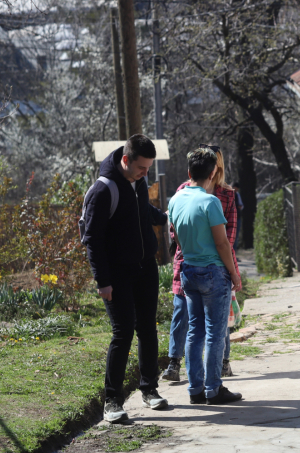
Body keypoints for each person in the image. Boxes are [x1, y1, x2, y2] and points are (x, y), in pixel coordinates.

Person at [82, 134, 169, 423]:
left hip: (146, 267)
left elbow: (141, 210)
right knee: (122, 333)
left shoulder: (138, 181)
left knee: (148, 329)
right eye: (142, 167)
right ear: (125, 160)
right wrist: (102, 281)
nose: (146, 173)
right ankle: (112, 401)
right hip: (117, 274)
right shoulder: (103, 190)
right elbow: (93, 240)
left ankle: (149, 390)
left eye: (148, 168)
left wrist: (164, 218)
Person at [167, 147, 244, 405]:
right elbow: (223, 243)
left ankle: (195, 389)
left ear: (189, 172)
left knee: (195, 332)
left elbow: (176, 236)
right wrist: (234, 274)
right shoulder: (210, 202)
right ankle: (214, 388)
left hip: (188, 270)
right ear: (212, 174)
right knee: (214, 333)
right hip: (213, 272)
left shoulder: (175, 199)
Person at [233, 182, 244, 250]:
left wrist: (239, 206)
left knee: (236, 236)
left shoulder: (237, 195)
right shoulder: (227, 195)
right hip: (230, 218)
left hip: (237, 217)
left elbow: (241, 205)